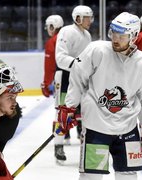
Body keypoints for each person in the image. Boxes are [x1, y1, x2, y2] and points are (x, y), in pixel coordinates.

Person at [56, 12, 142, 180]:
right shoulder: (96, 50)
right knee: (91, 177)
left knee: (128, 176)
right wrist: (69, 106)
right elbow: (77, 77)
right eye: (113, 33)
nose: (115, 39)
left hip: (128, 128)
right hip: (96, 127)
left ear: (133, 36)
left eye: (121, 35)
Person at [53, 5, 94, 162]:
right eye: (87, 17)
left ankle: (86, 146)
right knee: (63, 113)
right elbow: (60, 58)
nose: (90, 20)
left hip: (82, 78)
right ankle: (58, 145)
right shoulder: (67, 31)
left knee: (85, 114)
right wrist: (80, 65)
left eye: (90, 17)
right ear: (78, 18)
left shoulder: (88, 35)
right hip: (65, 77)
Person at [41, 14, 64, 98]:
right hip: (75, 80)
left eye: (48, 26)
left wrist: (46, 84)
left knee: (62, 107)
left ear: (52, 26)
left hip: (61, 80)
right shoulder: (70, 37)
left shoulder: (52, 42)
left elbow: (49, 66)